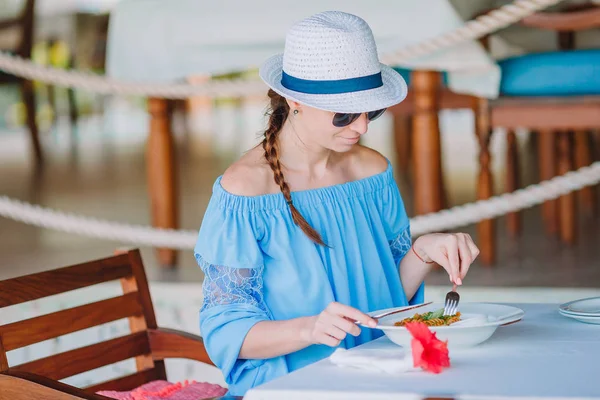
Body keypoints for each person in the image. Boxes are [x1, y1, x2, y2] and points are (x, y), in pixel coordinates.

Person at [194, 10, 479, 396]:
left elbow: (386, 298)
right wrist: (308, 328)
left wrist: (423, 252)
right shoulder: (245, 190)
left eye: (371, 111)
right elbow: (227, 333)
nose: (361, 127)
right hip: (291, 386)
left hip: (377, 374)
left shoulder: (372, 172)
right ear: (295, 101)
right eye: (344, 114)